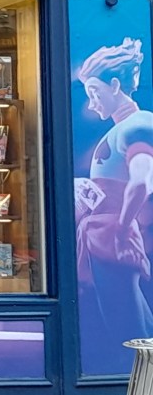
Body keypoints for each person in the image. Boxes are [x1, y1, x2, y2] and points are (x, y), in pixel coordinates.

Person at [76, 37, 153, 371]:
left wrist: (121, 229)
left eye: (95, 91)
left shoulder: (137, 124)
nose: (92, 102)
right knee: (130, 323)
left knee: (127, 329)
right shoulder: (124, 127)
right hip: (105, 234)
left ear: (115, 85)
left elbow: (142, 180)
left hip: (111, 236)